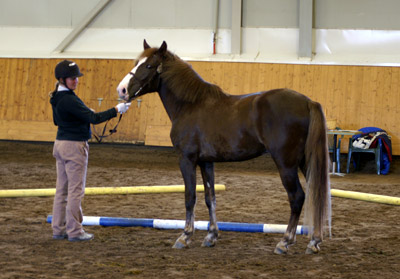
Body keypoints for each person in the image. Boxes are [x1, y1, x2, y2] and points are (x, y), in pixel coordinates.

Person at [49, 60, 131, 242]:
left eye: (77, 78)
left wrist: (81, 117)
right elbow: (94, 118)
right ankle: (75, 231)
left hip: (60, 144)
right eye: (72, 78)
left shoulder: (56, 97)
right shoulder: (69, 99)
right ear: (62, 79)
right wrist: (116, 109)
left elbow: (59, 121)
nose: (76, 81)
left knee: (62, 190)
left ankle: (58, 228)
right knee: (75, 191)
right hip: (74, 147)